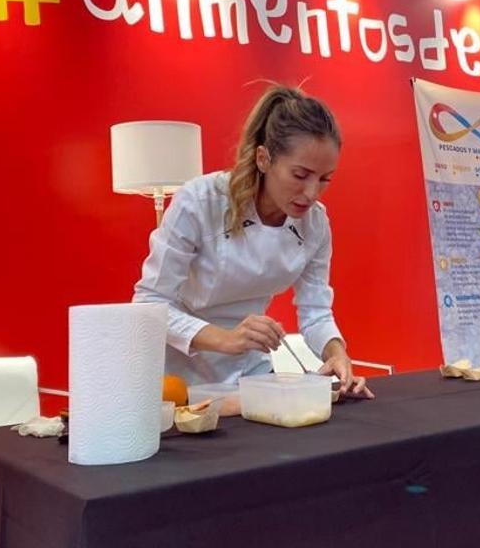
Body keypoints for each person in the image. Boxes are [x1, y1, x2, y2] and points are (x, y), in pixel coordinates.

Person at [133, 85, 373, 398]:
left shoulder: (315, 224)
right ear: (263, 159)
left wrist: (336, 353)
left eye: (325, 178)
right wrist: (227, 339)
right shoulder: (200, 202)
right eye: (300, 175)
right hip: (177, 378)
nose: (312, 193)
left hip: (250, 372)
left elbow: (316, 312)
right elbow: (150, 305)